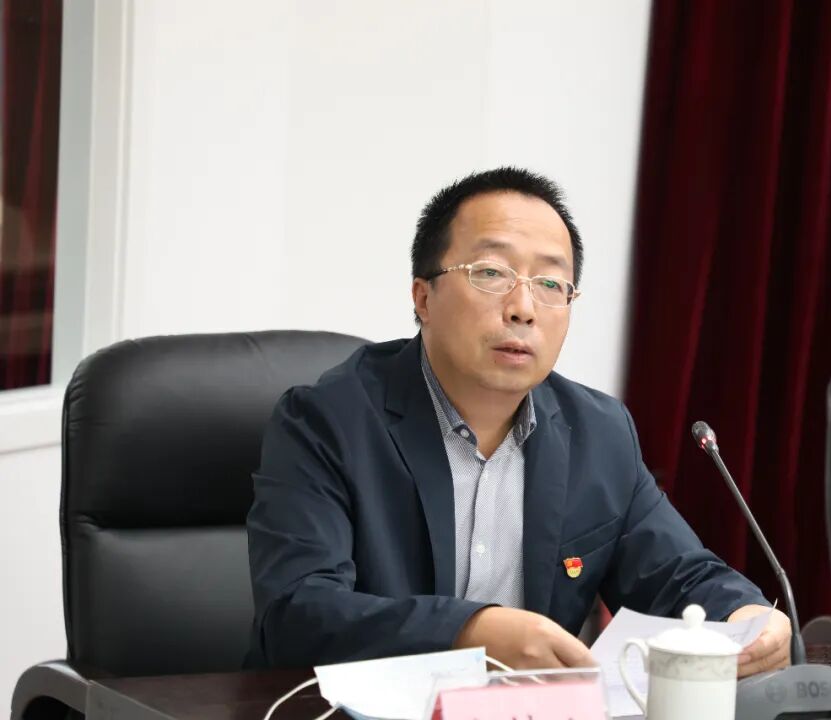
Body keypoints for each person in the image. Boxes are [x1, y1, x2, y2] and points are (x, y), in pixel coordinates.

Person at [246, 167, 791, 675]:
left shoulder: (598, 433)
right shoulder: (327, 422)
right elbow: (297, 614)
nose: (523, 307)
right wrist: (468, 633)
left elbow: (676, 574)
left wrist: (744, 616)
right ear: (423, 297)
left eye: (551, 284)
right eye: (491, 273)